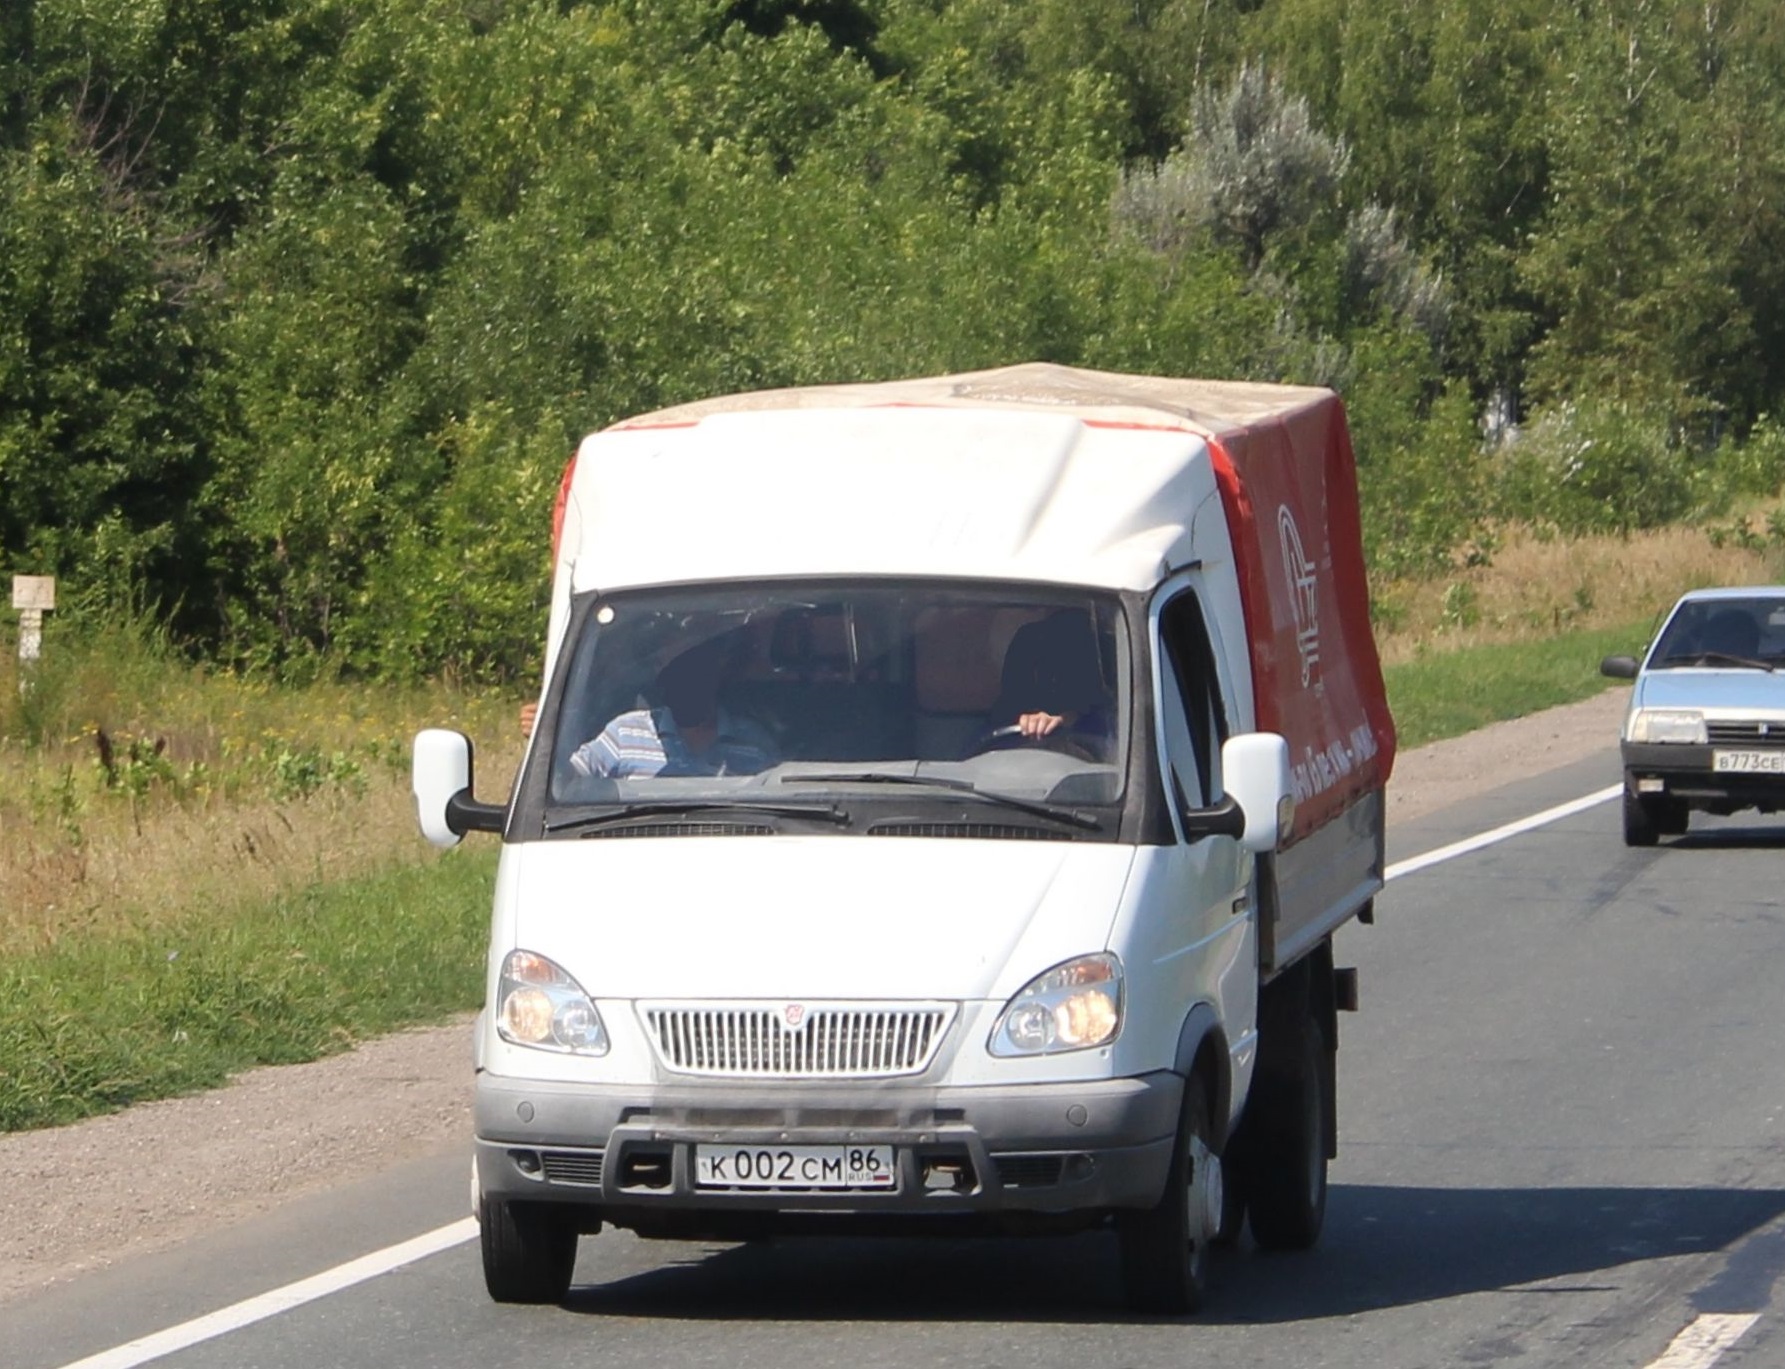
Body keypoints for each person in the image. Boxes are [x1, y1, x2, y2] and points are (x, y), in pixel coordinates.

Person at [568, 636, 778, 779]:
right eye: (674, 673)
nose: (686, 683)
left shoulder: (754, 743)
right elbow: (565, 779)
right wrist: (538, 735)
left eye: (694, 670)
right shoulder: (624, 733)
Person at [989, 610, 1112, 751]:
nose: (1052, 678)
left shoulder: (1110, 727)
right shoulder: (999, 728)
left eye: (1067, 662)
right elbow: (971, 762)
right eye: (1037, 663)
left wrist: (1063, 725)